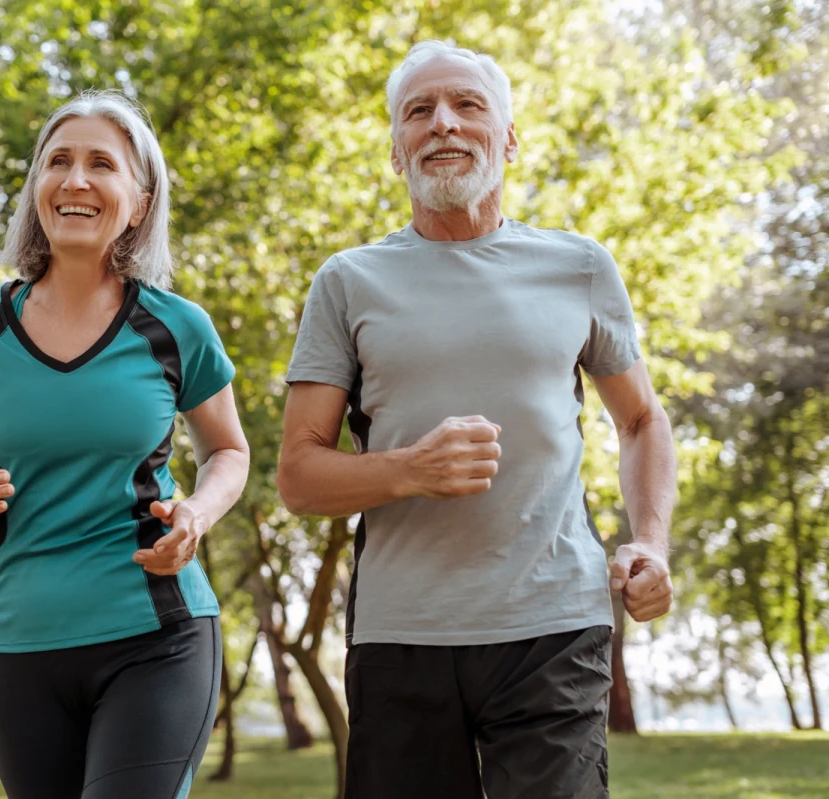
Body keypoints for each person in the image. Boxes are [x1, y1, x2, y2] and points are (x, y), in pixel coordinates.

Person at [278, 41, 676, 798]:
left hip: (556, 623)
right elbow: (297, 474)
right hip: (402, 634)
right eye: (418, 112)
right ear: (397, 152)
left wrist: (650, 543)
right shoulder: (348, 281)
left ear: (510, 138)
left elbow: (642, 422)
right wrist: (407, 469)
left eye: (467, 105)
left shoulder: (579, 265)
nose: (443, 124)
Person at [0, 90, 249, 799]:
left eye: (103, 163)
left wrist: (198, 513)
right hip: (19, 645)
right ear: (37, 187)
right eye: (57, 161)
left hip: (155, 634)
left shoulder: (176, 327)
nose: (75, 179)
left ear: (138, 201)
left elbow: (229, 451)